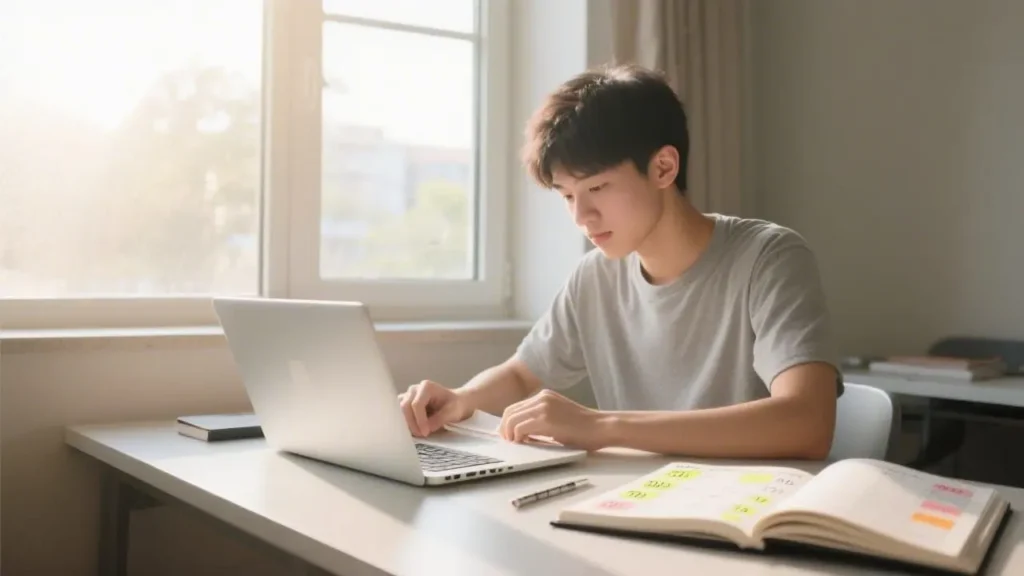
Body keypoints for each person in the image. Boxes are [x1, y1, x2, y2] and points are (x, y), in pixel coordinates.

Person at [398, 64, 842, 459]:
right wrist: (462, 398)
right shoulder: (594, 277)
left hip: (744, 513)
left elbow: (807, 422)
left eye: (597, 188)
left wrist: (602, 426)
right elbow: (521, 374)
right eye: (567, 195)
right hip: (634, 501)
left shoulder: (769, 258)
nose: (580, 216)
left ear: (664, 168)